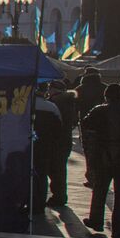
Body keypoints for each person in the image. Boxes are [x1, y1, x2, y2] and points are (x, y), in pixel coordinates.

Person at [82, 84, 120, 238]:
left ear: (106, 95)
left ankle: (96, 221)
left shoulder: (99, 110)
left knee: (100, 189)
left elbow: (86, 123)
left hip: (103, 156)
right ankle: (119, 230)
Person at [32, 85, 64, 213]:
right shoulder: (52, 107)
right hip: (45, 146)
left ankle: (26, 200)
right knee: (42, 175)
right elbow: (58, 129)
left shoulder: (25, 105)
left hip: (28, 144)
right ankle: (39, 203)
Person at [48, 79, 78, 207]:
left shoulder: (54, 103)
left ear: (53, 89)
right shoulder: (70, 102)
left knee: (55, 170)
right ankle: (60, 195)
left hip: (55, 141)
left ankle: (58, 197)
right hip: (65, 140)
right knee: (60, 170)